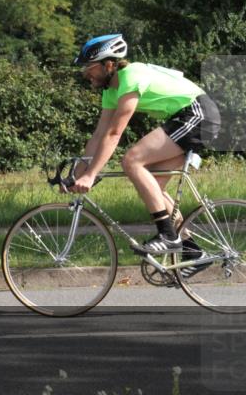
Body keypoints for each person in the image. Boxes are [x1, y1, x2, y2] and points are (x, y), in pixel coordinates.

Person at [72, 34, 221, 275]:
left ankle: (167, 236)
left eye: (89, 68)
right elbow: (98, 136)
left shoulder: (131, 76)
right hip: (187, 118)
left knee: (132, 160)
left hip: (197, 114)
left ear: (108, 64)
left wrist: (91, 175)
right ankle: (193, 251)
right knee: (152, 187)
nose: (85, 74)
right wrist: (77, 173)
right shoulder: (110, 91)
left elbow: (113, 133)